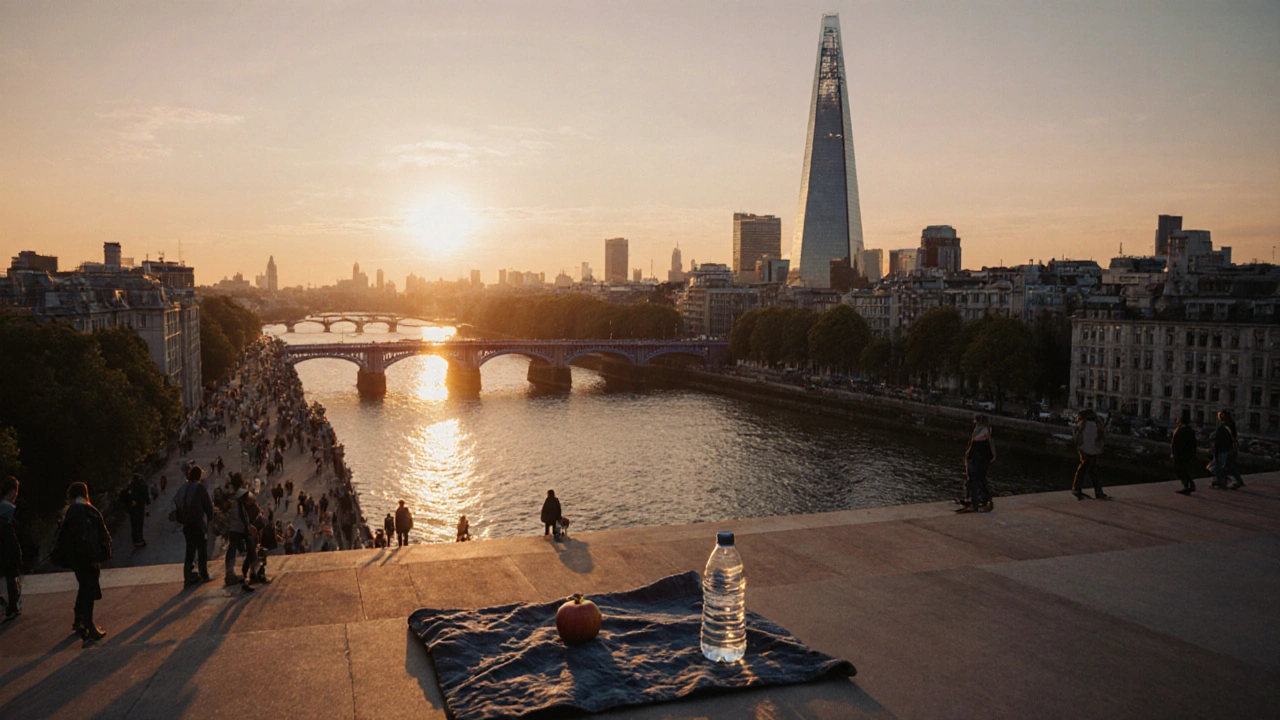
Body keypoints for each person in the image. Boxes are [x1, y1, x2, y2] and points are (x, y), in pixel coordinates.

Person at [51, 482, 111, 641]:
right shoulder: (91, 511)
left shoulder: (71, 512)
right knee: (89, 588)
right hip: (90, 556)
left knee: (84, 586)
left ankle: (79, 620)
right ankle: (88, 624)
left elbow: (63, 537)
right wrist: (102, 554)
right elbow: (103, 534)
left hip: (76, 557)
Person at [177, 465, 214, 585]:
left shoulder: (183, 488)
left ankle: (187, 576)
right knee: (202, 549)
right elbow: (208, 507)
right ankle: (204, 574)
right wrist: (210, 519)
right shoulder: (200, 488)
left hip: (187, 525)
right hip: (198, 523)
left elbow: (177, 503)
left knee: (190, 550)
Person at [223, 475, 256, 593]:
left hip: (232, 527)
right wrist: (248, 526)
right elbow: (244, 513)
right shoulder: (241, 495)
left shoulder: (230, 496)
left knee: (232, 549)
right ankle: (249, 575)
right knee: (249, 550)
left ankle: (229, 574)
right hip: (241, 527)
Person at [958, 414, 996, 513]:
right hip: (982, 456)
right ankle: (979, 499)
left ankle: (974, 501)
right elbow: (989, 442)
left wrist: (968, 453)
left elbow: (974, 442)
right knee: (979, 478)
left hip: (977, 456)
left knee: (973, 478)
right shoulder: (986, 430)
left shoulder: (981, 431)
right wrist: (993, 454)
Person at [1071, 409, 1110, 500]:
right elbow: (1102, 437)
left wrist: (1079, 446)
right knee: (1092, 470)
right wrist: (1100, 448)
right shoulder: (1098, 424)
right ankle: (1098, 492)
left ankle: (1077, 488)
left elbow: (1077, 436)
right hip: (1094, 450)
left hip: (1084, 449)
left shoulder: (1082, 424)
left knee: (1084, 469)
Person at [0, 476, 22, 621]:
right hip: (8, 546)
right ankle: (12, 606)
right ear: (13, 491)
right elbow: (17, 531)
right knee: (11, 577)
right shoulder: (10, 509)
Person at [1171, 411, 1199, 495]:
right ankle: (1189, 485)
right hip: (1187, 454)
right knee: (1184, 470)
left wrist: (1173, 453)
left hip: (1180, 454)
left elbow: (1175, 443)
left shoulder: (1180, 430)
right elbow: (1193, 443)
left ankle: (1186, 486)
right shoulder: (1189, 430)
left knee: (1180, 470)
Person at [125, 473, 151, 547]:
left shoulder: (131, 486)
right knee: (139, 523)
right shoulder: (142, 485)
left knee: (134, 524)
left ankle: (135, 539)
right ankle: (140, 539)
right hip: (140, 507)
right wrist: (147, 502)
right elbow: (146, 495)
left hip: (132, 509)